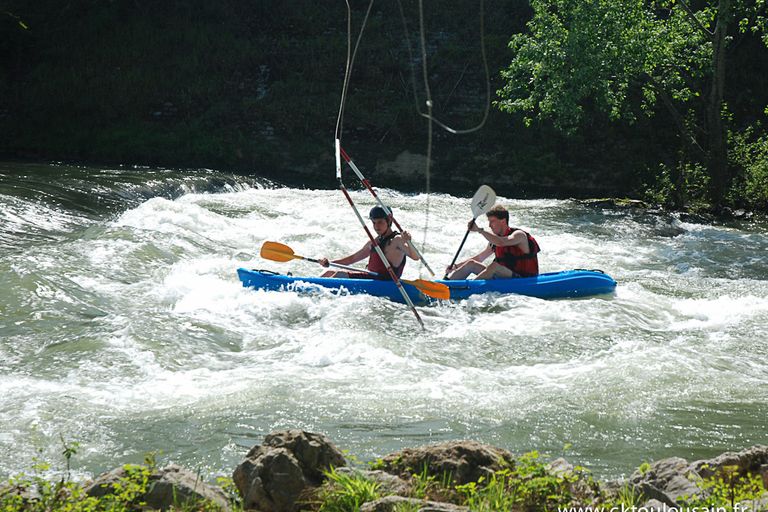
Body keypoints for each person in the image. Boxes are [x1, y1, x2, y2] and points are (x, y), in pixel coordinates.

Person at [319, 206, 420, 280]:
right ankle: (307, 285)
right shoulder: (374, 242)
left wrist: (409, 242)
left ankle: (313, 291)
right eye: (374, 222)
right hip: (371, 277)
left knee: (339, 275)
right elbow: (352, 259)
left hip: (384, 281)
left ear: (389, 221)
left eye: (380, 222)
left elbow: (416, 257)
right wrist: (330, 262)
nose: (376, 226)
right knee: (329, 272)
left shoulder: (397, 240)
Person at [445, 204, 540, 280]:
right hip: (504, 276)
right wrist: (455, 266)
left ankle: (467, 290)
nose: (489, 225)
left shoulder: (519, 235)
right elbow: (480, 257)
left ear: (503, 221)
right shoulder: (494, 240)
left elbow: (501, 242)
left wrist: (479, 230)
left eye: (492, 221)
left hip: (524, 279)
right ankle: (447, 285)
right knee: (471, 264)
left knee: (495, 266)